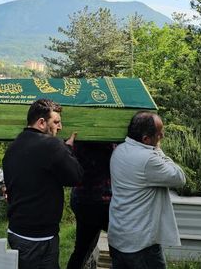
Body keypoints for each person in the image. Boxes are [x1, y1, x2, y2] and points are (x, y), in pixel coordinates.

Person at [2, 98, 83, 269]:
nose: (60, 127)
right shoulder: (51, 145)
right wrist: (67, 150)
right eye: (56, 122)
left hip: (17, 231)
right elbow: (76, 177)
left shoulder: (13, 147)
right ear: (41, 122)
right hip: (39, 238)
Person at [108, 111, 186, 269]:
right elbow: (180, 178)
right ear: (146, 139)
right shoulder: (149, 159)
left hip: (118, 236)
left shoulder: (119, 151)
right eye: (159, 134)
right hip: (141, 243)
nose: (162, 136)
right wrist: (158, 150)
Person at [66, 141, 114, 269]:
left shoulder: (77, 143)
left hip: (84, 201)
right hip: (104, 202)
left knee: (81, 249)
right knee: (119, 250)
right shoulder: (110, 144)